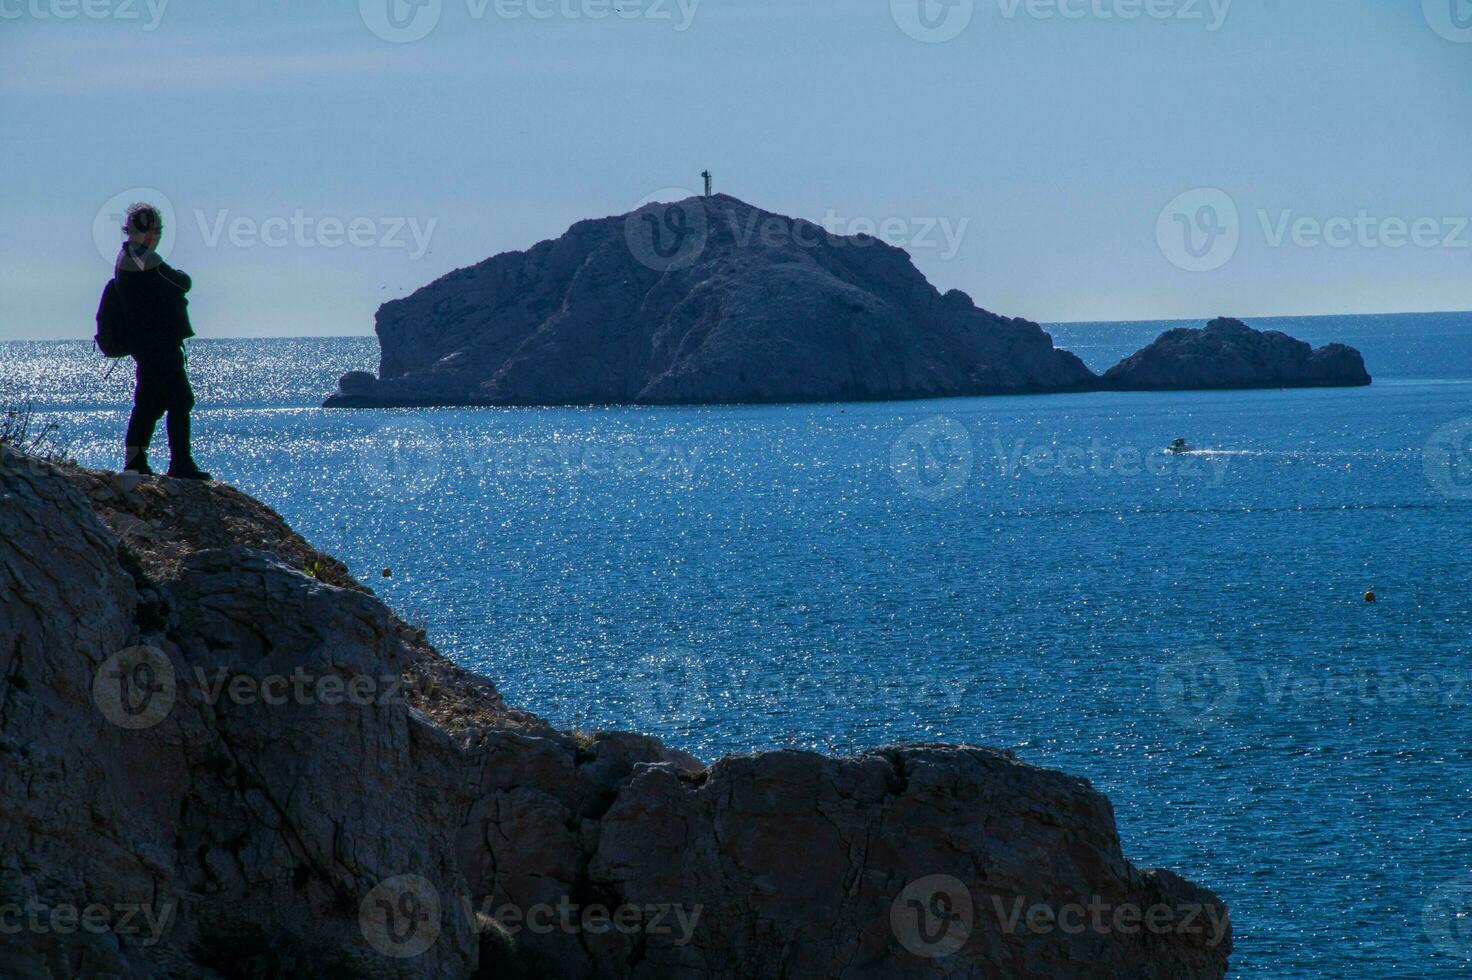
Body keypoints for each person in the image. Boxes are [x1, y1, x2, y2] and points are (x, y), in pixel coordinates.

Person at [114, 203, 211, 480]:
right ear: (138, 230)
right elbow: (182, 282)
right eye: (151, 229)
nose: (155, 235)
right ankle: (180, 462)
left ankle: (135, 462)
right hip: (157, 344)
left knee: (149, 402)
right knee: (181, 399)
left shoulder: (130, 256)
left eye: (158, 230)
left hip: (146, 343)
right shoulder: (143, 258)